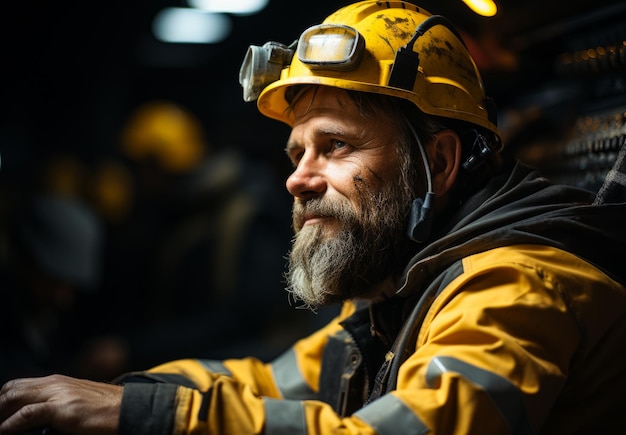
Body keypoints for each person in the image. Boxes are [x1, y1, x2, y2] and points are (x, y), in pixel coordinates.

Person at [1, 1, 625, 434]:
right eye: (297, 152)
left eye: (337, 146)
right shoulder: (404, 288)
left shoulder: (518, 285)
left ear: (438, 160)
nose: (298, 178)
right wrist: (110, 393)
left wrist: (140, 416)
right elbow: (270, 385)